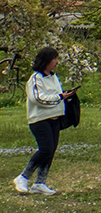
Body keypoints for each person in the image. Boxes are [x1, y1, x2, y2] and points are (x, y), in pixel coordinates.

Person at [13, 47, 75, 196]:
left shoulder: (53, 77)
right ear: (46, 60)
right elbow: (38, 99)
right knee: (45, 149)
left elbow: (54, 94)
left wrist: (66, 97)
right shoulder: (35, 79)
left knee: (51, 150)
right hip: (39, 119)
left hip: (54, 118)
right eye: (54, 59)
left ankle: (40, 182)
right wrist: (59, 97)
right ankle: (23, 177)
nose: (56, 62)